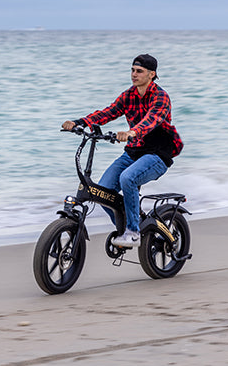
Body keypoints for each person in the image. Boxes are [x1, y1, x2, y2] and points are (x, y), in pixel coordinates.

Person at [62, 54, 183, 249]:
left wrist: (132, 132)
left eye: (139, 71)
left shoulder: (161, 97)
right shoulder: (129, 95)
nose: (134, 74)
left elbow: (152, 120)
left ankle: (133, 233)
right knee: (103, 191)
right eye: (132, 70)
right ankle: (127, 226)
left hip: (157, 154)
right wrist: (79, 123)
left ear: (152, 74)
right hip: (133, 152)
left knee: (128, 178)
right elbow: (108, 112)